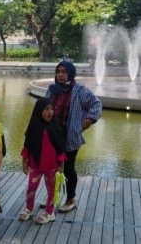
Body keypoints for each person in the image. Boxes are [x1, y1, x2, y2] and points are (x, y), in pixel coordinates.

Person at [44, 60, 102, 213]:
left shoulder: (79, 90)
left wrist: (87, 122)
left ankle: (70, 199)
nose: (61, 75)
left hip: (69, 137)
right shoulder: (52, 89)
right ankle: (52, 197)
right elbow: (43, 107)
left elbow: (96, 104)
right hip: (52, 136)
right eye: (58, 72)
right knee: (50, 168)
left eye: (64, 72)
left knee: (68, 168)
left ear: (70, 73)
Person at [19, 97, 66, 224]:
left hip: (51, 166)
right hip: (35, 165)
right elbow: (27, 145)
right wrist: (24, 162)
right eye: (46, 109)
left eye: (52, 109)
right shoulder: (33, 127)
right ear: (39, 110)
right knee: (31, 188)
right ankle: (29, 209)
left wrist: (61, 163)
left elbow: (60, 147)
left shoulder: (55, 127)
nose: (50, 112)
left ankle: (50, 213)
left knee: (51, 189)